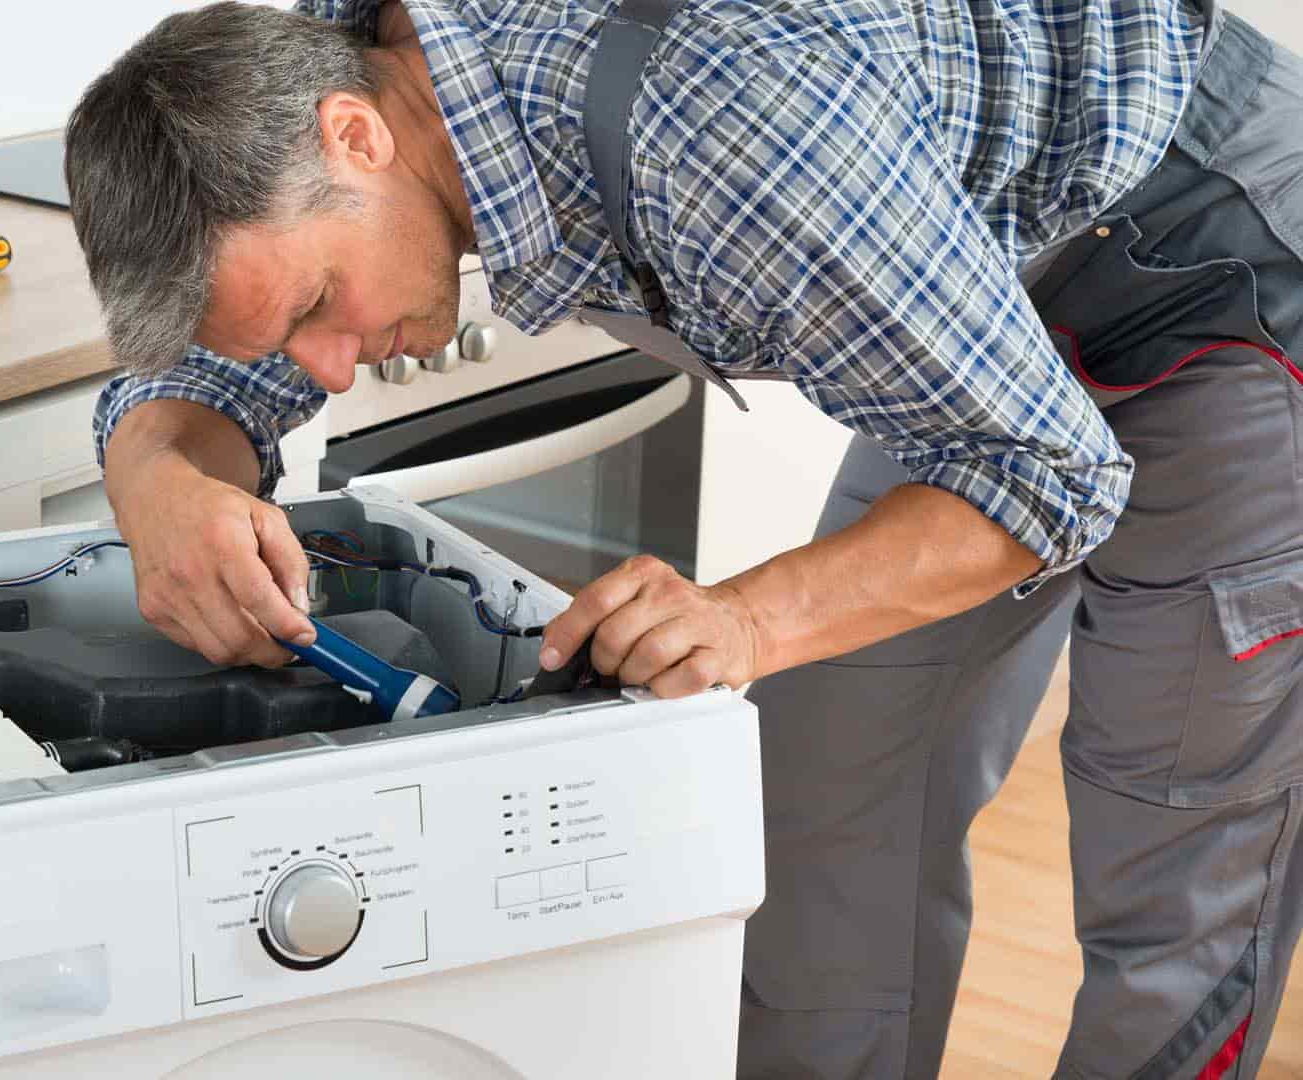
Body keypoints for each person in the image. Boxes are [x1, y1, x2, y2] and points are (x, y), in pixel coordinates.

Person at [63, 0, 1303, 1074]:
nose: (329, 367)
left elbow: (1045, 469)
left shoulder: (725, 135)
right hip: (954, 282)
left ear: (355, 137)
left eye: (320, 309)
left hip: (1208, 258)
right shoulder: (333, 62)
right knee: (826, 800)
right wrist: (156, 471)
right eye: (288, 341)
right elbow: (222, 370)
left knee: (1176, 859)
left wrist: (748, 616)